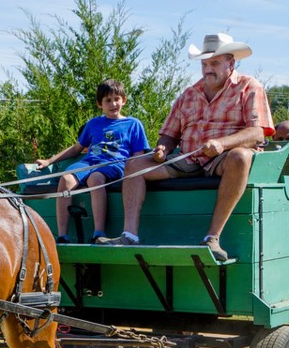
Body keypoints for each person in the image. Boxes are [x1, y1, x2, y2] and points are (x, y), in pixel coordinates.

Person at [95, 33, 274, 262]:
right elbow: (169, 135)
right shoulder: (189, 94)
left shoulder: (249, 86)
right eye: (205, 63)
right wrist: (162, 149)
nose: (208, 68)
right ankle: (129, 235)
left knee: (240, 157)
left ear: (231, 63)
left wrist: (222, 144)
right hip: (190, 159)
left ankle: (212, 237)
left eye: (215, 63)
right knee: (134, 165)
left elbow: (259, 132)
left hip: (224, 159)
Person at [35, 79, 150, 243]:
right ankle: (62, 235)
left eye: (116, 99)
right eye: (107, 100)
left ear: (123, 100)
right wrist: (49, 161)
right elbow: (76, 148)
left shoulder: (133, 124)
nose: (113, 104)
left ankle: (99, 232)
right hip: (90, 162)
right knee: (66, 178)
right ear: (99, 104)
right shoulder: (94, 124)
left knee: (96, 178)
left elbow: (138, 156)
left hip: (115, 165)